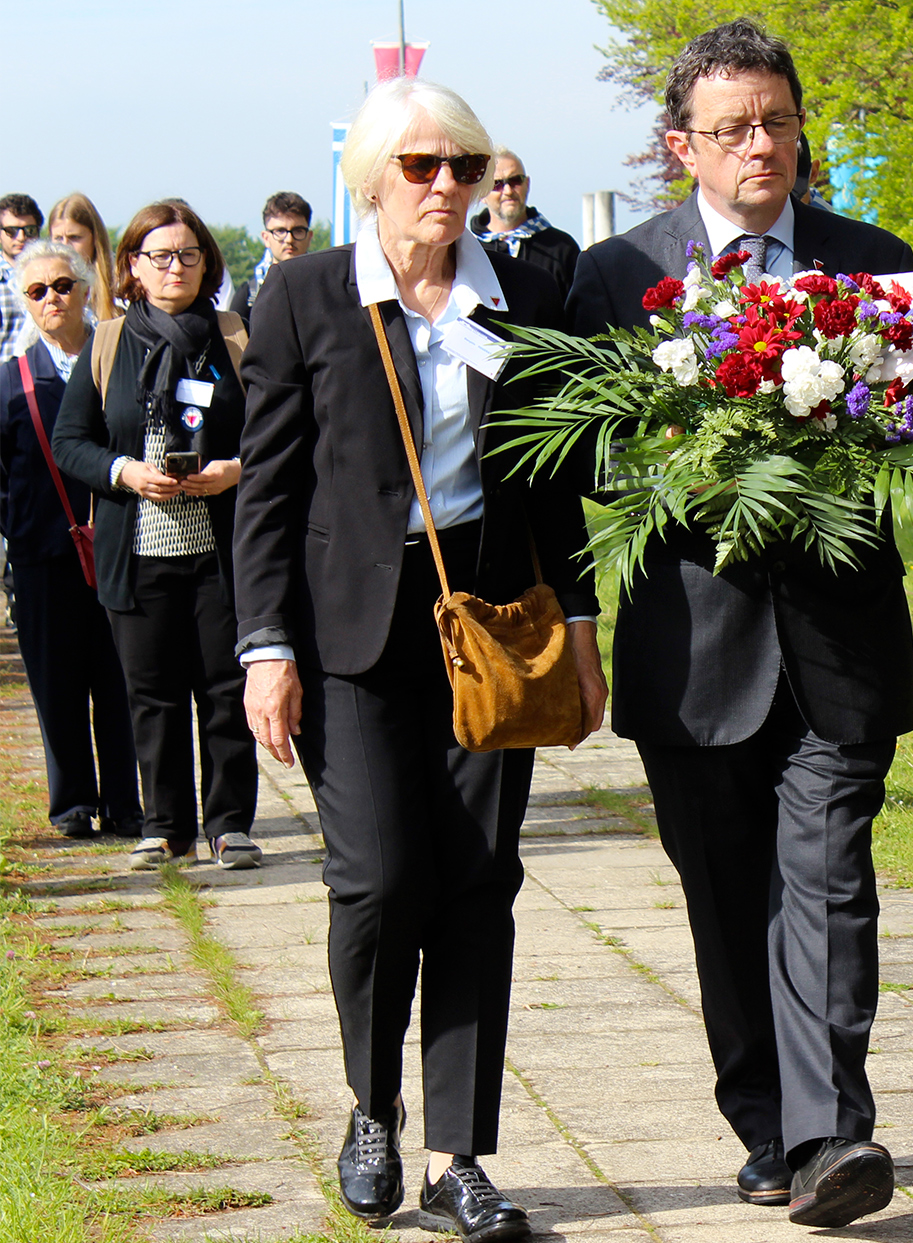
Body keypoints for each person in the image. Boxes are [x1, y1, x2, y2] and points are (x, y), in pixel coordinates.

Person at [233, 77, 606, 1237]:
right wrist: (264, 647)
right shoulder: (305, 295)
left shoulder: (525, 294)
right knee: (380, 879)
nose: (447, 186)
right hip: (351, 630)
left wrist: (581, 631)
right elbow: (267, 488)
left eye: (464, 166)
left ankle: (457, 1156)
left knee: (479, 882)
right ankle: (371, 1104)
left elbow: (552, 481)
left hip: (489, 628)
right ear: (371, 179)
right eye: (421, 166)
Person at [566, 19, 913, 1230]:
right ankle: (765, 1121)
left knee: (827, 882)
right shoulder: (616, 275)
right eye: (732, 129)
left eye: (777, 122)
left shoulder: (874, 262)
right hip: (693, 646)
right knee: (726, 902)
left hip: (840, 640)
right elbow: (586, 455)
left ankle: (834, 1137)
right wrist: (700, 464)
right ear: (682, 145)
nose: (760, 146)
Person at [52, 200, 260, 872]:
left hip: (220, 550)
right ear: (133, 266)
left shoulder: (234, 337)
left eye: (189, 254)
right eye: (161, 256)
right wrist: (125, 472)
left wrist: (234, 471)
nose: (176, 267)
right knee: (152, 696)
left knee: (225, 690)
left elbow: (277, 431)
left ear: (207, 263)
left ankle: (229, 824)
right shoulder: (109, 342)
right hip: (137, 549)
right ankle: (166, 826)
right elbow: (70, 441)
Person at [0, 241, 142, 841]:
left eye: (62, 285)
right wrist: (20, 530)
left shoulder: (120, 361)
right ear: (24, 303)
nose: (52, 299)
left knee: (121, 679)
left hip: (121, 547)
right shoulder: (11, 381)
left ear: (86, 289)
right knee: (55, 685)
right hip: (43, 556)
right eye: (37, 291)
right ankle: (73, 803)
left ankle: (126, 802)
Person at [470, 148, 580, 299]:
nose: (508, 191)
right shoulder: (467, 249)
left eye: (515, 181)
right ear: (481, 193)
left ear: (527, 184)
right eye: (497, 184)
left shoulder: (561, 248)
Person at [229, 191, 314, 322]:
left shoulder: (325, 288)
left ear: (309, 237)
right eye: (280, 231)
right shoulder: (249, 295)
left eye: (298, 231)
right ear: (266, 238)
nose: (289, 239)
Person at [48, 194, 120, 322]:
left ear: (94, 238)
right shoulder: (43, 286)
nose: (65, 246)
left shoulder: (118, 280)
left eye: (74, 237)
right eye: (58, 238)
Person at [1, 193, 42, 364]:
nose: (21, 237)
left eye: (29, 230)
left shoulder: (54, 282)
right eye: (11, 231)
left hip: (43, 376)